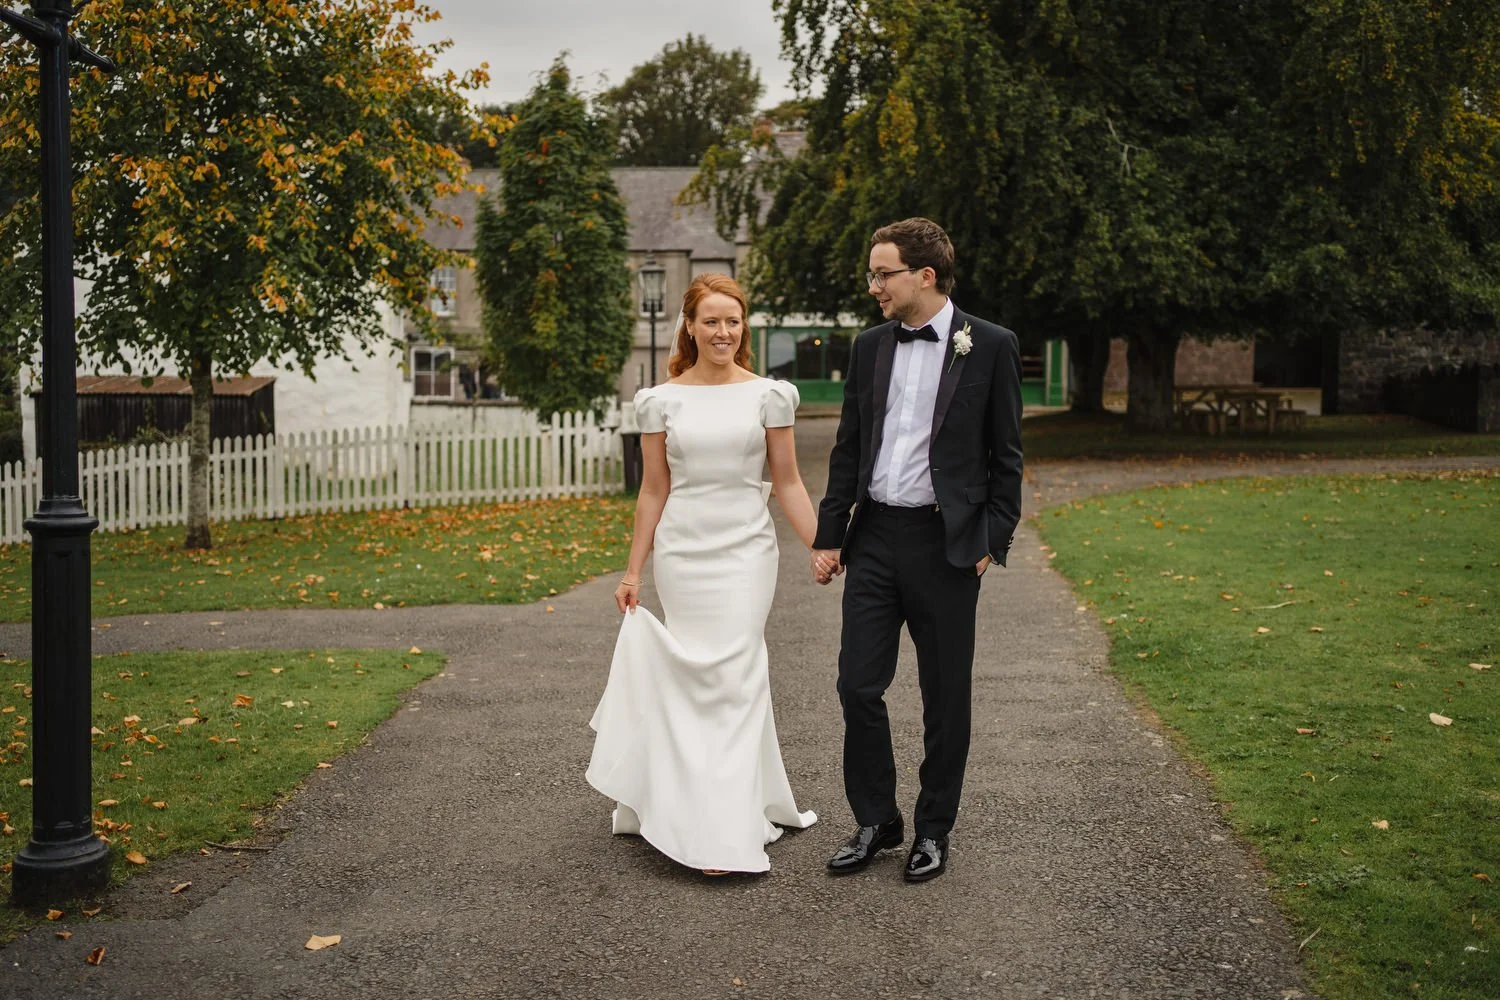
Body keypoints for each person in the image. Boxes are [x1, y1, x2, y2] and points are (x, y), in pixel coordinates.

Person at [812, 218, 1023, 882]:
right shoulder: (868, 346)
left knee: (944, 696)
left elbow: (1008, 457)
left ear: (923, 277)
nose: (873, 285)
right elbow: (849, 446)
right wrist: (829, 534)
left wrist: (992, 539)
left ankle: (934, 828)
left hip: (947, 546)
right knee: (857, 685)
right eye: (872, 274)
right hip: (874, 538)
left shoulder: (989, 345)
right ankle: (878, 819)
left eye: (882, 273)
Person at [586, 273, 819, 875]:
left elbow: (788, 481)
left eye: (733, 320)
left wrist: (823, 545)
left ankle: (725, 826)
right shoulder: (660, 401)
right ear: (689, 326)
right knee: (696, 675)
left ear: (744, 328)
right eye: (711, 320)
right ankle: (700, 811)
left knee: (736, 673)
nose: (723, 331)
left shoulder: (770, 395)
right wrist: (633, 570)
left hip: (746, 551)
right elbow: (653, 489)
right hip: (684, 551)